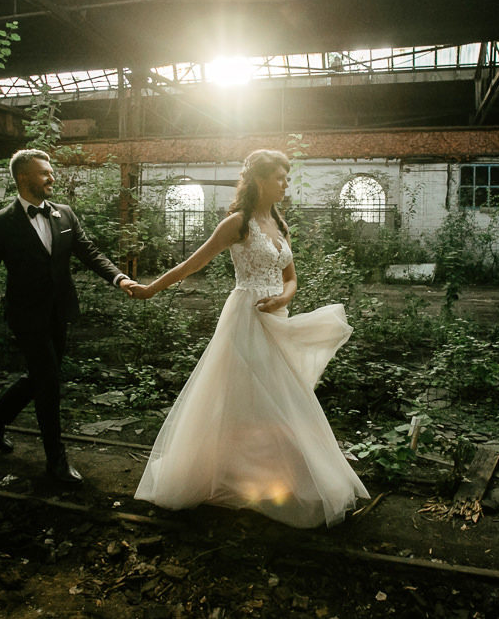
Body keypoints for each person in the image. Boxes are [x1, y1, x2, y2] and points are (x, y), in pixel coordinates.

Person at [128, 149, 369, 527]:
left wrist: (284, 298)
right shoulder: (237, 224)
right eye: (280, 178)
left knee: (286, 397)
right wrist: (150, 289)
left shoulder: (280, 224)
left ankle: (276, 476)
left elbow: (291, 278)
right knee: (247, 396)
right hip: (245, 317)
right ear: (259, 180)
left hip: (277, 318)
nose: (285, 184)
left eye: (287, 178)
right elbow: (194, 263)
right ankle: (230, 474)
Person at [0, 149, 136, 485]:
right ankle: (56, 462)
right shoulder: (0, 223)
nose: (52, 178)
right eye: (44, 173)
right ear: (24, 178)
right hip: (25, 315)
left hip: (60, 312)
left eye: (51, 172)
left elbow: (90, 251)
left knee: (42, 376)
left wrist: (119, 278)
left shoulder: (65, 215)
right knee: (49, 383)